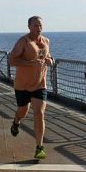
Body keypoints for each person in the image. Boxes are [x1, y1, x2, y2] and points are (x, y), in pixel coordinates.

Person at [9, 16, 54, 159]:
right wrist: (30, 63)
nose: (38, 28)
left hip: (40, 85)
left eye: (40, 25)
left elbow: (49, 58)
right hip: (22, 85)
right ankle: (16, 122)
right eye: (35, 25)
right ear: (29, 27)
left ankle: (39, 147)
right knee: (23, 110)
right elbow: (12, 60)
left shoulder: (46, 41)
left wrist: (50, 61)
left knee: (39, 114)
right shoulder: (23, 41)